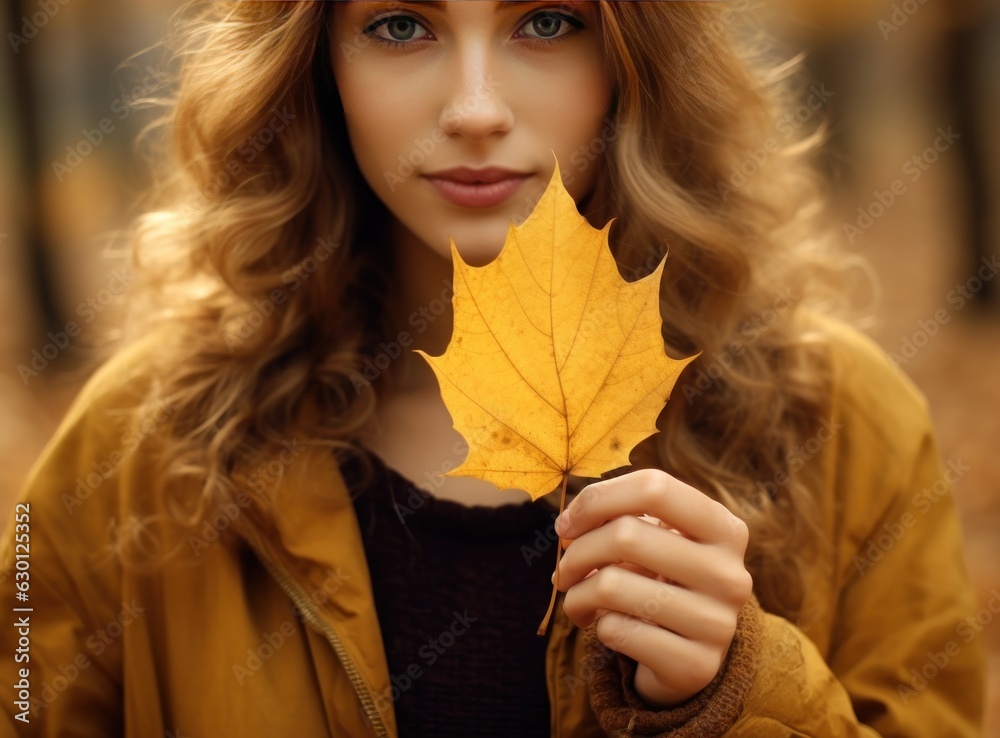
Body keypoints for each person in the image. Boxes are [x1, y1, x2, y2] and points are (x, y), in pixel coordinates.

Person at [0, 2, 986, 736]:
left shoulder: (845, 426)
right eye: (399, 26)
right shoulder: (137, 447)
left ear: (634, 57)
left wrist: (745, 692)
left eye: (546, 21)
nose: (474, 109)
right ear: (311, 65)